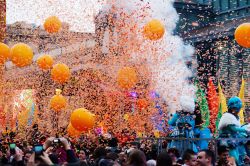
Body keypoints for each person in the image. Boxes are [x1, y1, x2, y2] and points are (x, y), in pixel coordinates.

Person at [218, 96, 249, 166]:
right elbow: (233, 129)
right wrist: (245, 130)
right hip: (227, 141)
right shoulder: (227, 116)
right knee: (234, 158)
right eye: (236, 108)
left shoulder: (234, 117)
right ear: (231, 107)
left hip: (234, 140)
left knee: (239, 157)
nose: (238, 110)